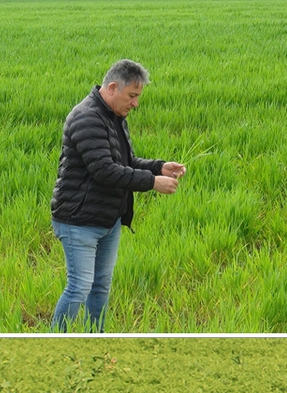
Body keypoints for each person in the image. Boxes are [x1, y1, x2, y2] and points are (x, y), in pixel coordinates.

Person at [49, 59, 186, 332]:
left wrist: (159, 167)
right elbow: (105, 171)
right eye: (132, 96)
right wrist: (152, 182)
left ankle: (95, 339)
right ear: (112, 88)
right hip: (79, 220)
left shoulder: (115, 116)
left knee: (100, 286)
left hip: (107, 219)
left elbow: (125, 162)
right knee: (79, 287)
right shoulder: (87, 118)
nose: (136, 103)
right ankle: (53, 343)